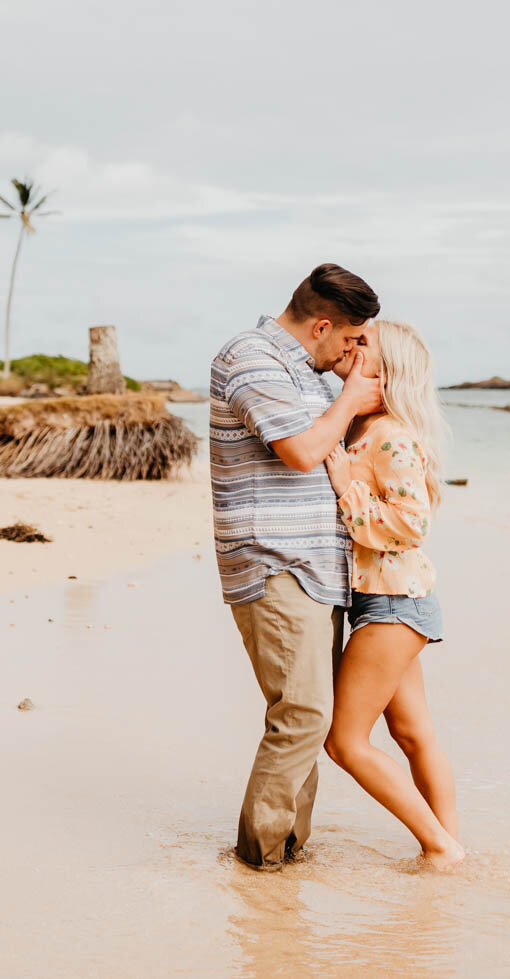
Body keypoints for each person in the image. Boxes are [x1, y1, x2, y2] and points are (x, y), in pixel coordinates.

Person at [210, 263, 384, 868]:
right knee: (305, 714)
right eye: (352, 339)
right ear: (324, 325)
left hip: (316, 567)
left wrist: (347, 384)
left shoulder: (308, 372)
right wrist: (351, 397)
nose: (356, 350)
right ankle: (259, 862)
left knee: (308, 715)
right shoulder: (251, 358)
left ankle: (288, 851)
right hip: (274, 564)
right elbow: (305, 451)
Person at [321, 319, 465, 869]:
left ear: (387, 372)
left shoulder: (392, 436)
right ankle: (451, 850)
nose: (352, 350)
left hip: (393, 603)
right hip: (387, 600)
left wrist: (347, 489)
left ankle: (439, 845)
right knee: (410, 733)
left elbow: (411, 524)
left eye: (365, 347)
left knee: (345, 743)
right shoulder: (360, 427)